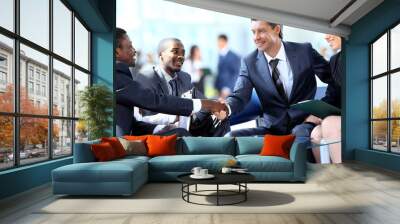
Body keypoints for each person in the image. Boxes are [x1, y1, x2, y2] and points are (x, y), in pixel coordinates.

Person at [217, 19, 332, 138]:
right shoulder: (249, 62)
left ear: (277, 29)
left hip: (304, 124)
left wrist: (320, 112)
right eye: (253, 32)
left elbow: (334, 80)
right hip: (272, 129)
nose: (256, 37)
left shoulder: (304, 51)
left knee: (299, 134)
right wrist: (226, 108)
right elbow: (240, 96)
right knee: (231, 137)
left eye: (261, 31)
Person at [115, 28, 226, 136]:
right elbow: (155, 101)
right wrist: (205, 104)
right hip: (122, 144)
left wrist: (214, 108)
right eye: (129, 47)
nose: (134, 51)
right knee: (182, 134)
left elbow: (135, 121)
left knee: (216, 122)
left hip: (161, 129)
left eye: (183, 53)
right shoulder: (123, 77)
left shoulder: (184, 77)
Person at [137, 38, 229, 136]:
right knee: (182, 132)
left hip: (184, 133)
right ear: (161, 55)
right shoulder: (146, 78)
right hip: (158, 136)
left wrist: (218, 110)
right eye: (175, 52)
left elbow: (203, 102)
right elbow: (145, 118)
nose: (181, 56)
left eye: (183, 53)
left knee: (221, 120)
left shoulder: (184, 77)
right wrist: (179, 116)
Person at [310, 34, 343, 163]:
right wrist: (316, 111)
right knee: (315, 134)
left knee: (329, 123)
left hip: (365, 115)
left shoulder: (361, 54)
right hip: (341, 116)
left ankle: (341, 173)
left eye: (332, 31)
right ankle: (325, 175)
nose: (326, 37)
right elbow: (332, 94)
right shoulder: (335, 60)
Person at [215, 34, 241, 99]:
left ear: (225, 42)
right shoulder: (220, 55)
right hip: (220, 89)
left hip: (228, 90)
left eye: (220, 41)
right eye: (218, 41)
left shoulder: (234, 56)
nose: (218, 44)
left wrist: (228, 88)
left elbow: (236, 73)